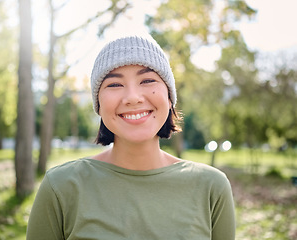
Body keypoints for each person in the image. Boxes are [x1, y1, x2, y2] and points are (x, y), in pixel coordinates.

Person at [26, 35, 235, 240]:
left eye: (147, 80)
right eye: (115, 85)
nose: (133, 98)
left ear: (169, 97)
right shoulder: (60, 187)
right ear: (98, 104)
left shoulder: (212, 187)